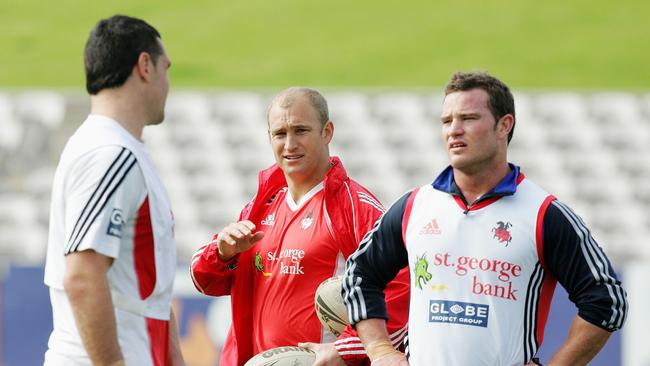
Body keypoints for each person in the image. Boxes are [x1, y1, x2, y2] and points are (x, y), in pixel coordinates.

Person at [342, 71, 628, 366]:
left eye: (467, 118)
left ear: (504, 125)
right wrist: (379, 349)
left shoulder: (544, 214)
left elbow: (607, 301)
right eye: (446, 121)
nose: (454, 130)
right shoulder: (415, 206)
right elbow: (359, 274)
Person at [190, 87, 410, 366]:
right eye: (280, 134)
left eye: (301, 130)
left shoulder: (356, 207)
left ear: (327, 132)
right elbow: (204, 280)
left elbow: (401, 287)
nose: (290, 144)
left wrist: (345, 349)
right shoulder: (259, 206)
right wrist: (221, 253)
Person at [43, 15, 184, 366]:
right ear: (145, 66)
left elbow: (151, 294)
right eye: (166, 68)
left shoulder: (115, 149)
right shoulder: (110, 154)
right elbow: (82, 276)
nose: (168, 83)